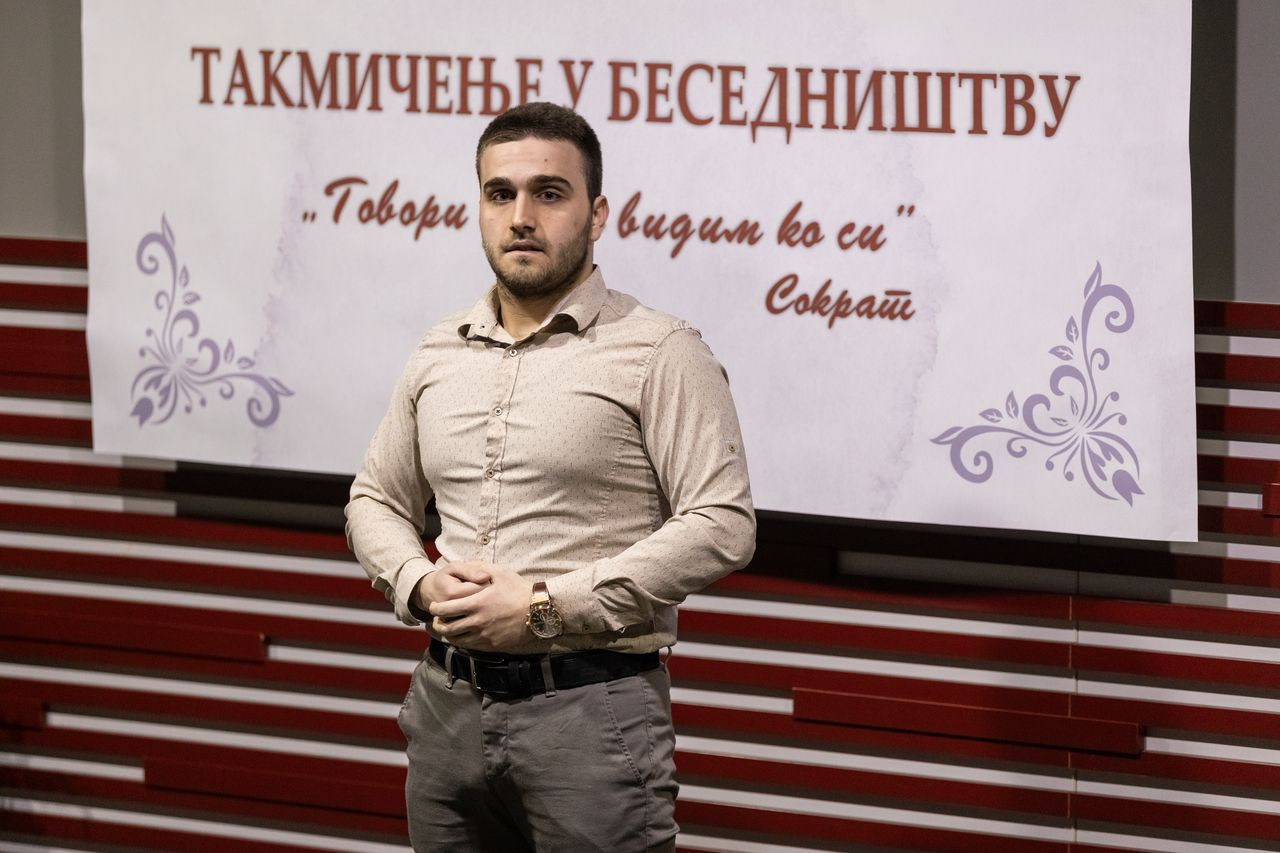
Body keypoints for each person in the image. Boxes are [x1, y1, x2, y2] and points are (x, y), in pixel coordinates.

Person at [345, 101, 755, 852]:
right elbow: (375, 498)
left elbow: (721, 523)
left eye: (550, 193)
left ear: (597, 213)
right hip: (445, 707)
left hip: (591, 714)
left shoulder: (659, 349)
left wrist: (543, 606)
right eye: (500, 194)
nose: (521, 217)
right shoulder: (439, 350)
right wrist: (419, 582)